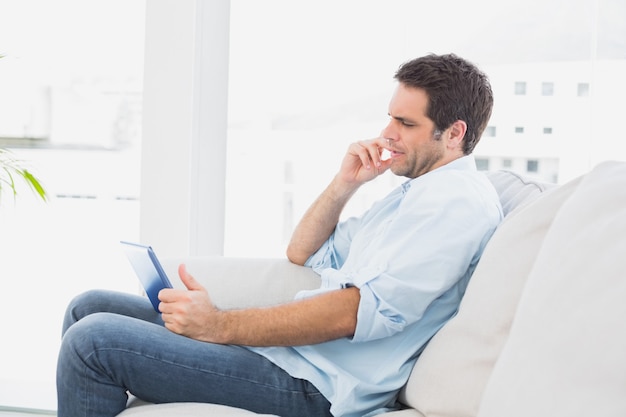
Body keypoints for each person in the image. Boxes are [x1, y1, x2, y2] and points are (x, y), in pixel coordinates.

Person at [57, 53, 503, 417]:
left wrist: (218, 325)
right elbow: (303, 251)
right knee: (89, 305)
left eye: (406, 123)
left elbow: (358, 312)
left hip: (316, 387)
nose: (387, 133)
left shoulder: (455, 203)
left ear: (454, 133)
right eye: (390, 118)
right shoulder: (411, 197)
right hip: (294, 358)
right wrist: (345, 183)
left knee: (92, 342)